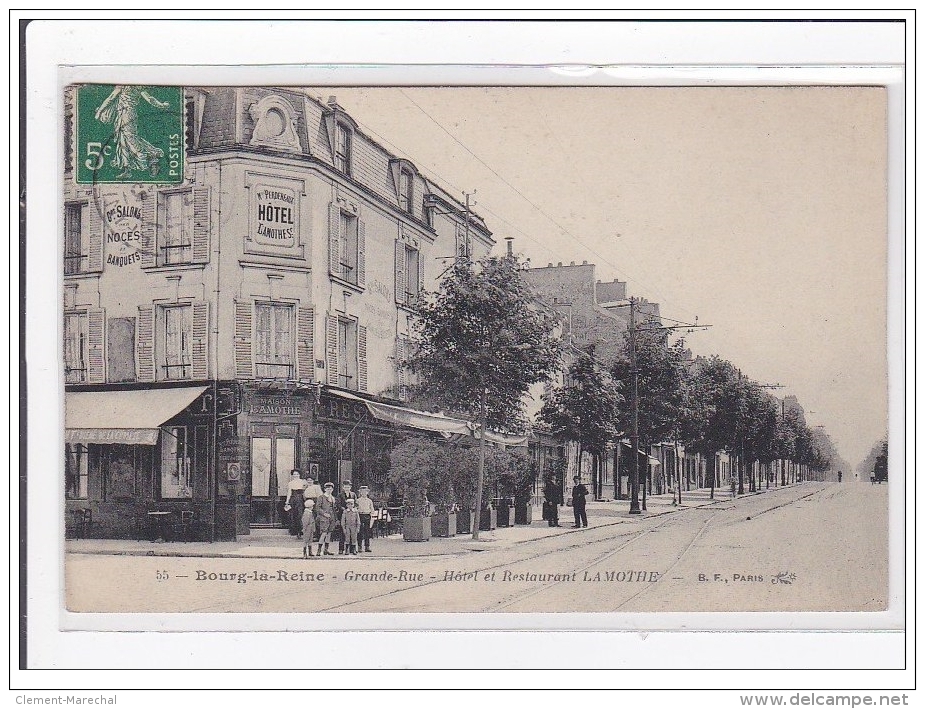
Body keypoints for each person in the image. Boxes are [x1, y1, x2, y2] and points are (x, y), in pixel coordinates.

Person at [94, 85, 170, 179]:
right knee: (123, 139)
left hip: (126, 114)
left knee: (130, 138)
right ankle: (127, 169)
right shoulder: (138, 87)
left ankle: (151, 158)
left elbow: (111, 98)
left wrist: (99, 111)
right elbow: (150, 99)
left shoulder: (124, 86)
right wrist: (161, 105)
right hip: (125, 114)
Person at [314, 482, 337, 556]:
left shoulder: (332, 498)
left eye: (330, 489)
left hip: (331, 517)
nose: (329, 490)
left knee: (329, 533)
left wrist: (335, 518)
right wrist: (324, 513)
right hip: (324, 518)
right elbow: (317, 508)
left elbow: (334, 509)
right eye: (327, 489)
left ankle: (326, 550)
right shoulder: (321, 497)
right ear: (325, 489)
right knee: (324, 533)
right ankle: (319, 550)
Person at [336, 480, 358, 554]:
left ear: (350, 487)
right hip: (343, 514)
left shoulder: (353, 494)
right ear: (343, 487)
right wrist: (344, 509)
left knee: (352, 533)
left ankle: (352, 549)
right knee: (343, 532)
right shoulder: (340, 495)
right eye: (345, 487)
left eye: (348, 487)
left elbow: (356, 503)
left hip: (351, 514)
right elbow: (338, 504)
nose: (347, 488)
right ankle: (341, 549)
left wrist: (353, 509)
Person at [283, 470, 306, 537]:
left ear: (299, 475)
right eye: (294, 474)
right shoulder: (290, 483)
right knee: (293, 514)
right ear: (292, 475)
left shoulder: (303, 482)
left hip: (301, 499)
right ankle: (294, 531)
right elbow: (289, 492)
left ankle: (301, 530)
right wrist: (287, 501)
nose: (296, 475)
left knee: (300, 514)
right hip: (293, 499)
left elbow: (305, 491)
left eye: (297, 474)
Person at [356, 485, 375, 553]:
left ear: (367, 492)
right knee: (360, 531)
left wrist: (371, 512)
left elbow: (372, 509)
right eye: (362, 492)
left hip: (367, 515)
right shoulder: (358, 500)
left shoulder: (369, 501)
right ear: (360, 493)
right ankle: (359, 547)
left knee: (367, 531)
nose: (364, 493)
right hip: (360, 515)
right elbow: (356, 508)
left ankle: (367, 546)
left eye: (365, 492)